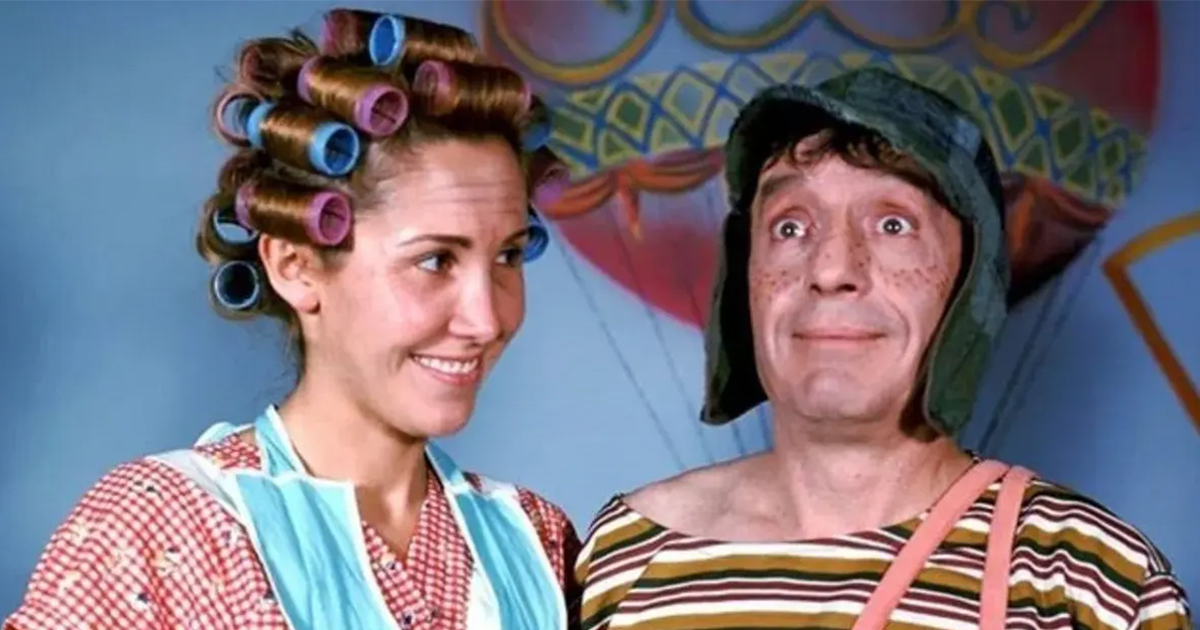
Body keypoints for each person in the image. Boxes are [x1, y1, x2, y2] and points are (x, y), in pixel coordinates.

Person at [6, 8, 579, 630]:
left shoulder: (538, 539)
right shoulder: (160, 528)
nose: (486, 319)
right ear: (296, 265)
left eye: (508, 256)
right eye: (435, 260)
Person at [573, 68, 1192, 629]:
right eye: (791, 226)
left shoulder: (1087, 579)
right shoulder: (625, 554)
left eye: (893, 224)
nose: (831, 268)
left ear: (970, 280)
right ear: (745, 278)